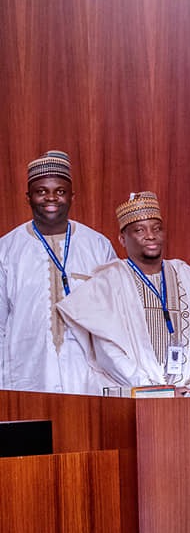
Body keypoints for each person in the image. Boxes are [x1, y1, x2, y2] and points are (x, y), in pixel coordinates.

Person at [57, 192, 190, 395]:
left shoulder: (187, 275)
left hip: (188, 397)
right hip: (133, 397)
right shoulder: (108, 281)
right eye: (139, 230)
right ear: (122, 239)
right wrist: (156, 391)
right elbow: (108, 353)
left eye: (157, 229)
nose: (151, 236)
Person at [0, 150, 116, 393]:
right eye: (41, 191)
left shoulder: (96, 245)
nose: (51, 198)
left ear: (72, 197)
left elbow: (115, 315)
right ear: (28, 197)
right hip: (26, 374)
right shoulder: (7, 249)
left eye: (60, 191)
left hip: (88, 375)